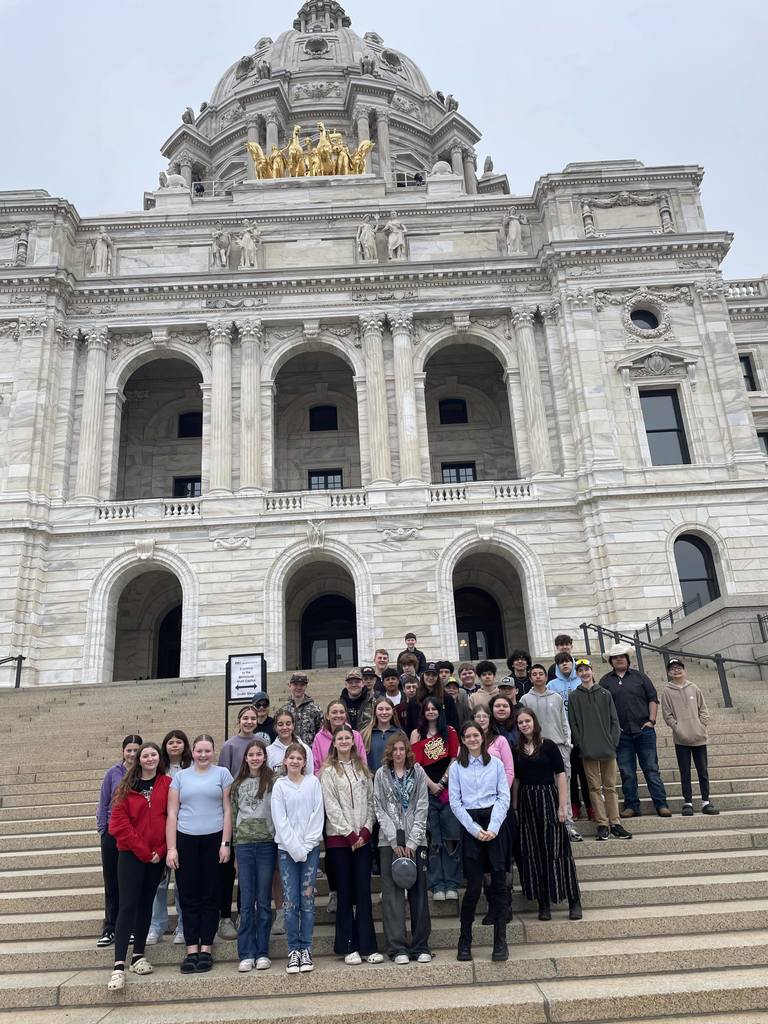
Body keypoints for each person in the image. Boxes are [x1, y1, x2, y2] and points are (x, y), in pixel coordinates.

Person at [166, 734, 233, 974]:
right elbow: (172, 813)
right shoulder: (180, 777)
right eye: (199, 751)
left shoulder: (223, 774)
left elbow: (227, 810)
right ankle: (191, 949)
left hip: (214, 838)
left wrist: (226, 842)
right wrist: (172, 848)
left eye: (207, 750)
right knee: (189, 895)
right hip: (186, 839)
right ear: (192, 753)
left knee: (210, 895)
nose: (203, 755)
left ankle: (206, 948)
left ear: (213, 751)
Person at [106, 742, 170, 991]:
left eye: (154, 754)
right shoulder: (126, 787)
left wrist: (161, 851)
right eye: (145, 755)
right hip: (132, 855)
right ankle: (119, 965)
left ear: (158, 758)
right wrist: (145, 852)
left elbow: (171, 817)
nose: (150, 758)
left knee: (146, 904)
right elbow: (118, 825)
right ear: (138, 759)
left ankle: (138, 955)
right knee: (128, 905)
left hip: (157, 855)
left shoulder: (167, 784)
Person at [320, 725, 383, 965]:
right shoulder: (327, 772)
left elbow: (371, 801)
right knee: (345, 893)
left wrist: (365, 831)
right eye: (340, 738)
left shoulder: (363, 770)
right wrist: (349, 834)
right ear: (334, 743)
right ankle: (348, 945)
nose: (344, 741)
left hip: (363, 839)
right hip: (339, 841)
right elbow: (331, 805)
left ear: (353, 742)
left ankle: (368, 946)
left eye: (348, 737)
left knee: (363, 892)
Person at [449, 722, 511, 962]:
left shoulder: (495, 764)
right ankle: (464, 942)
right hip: (471, 824)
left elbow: (503, 796)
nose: (473, 739)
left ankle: (500, 942)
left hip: (494, 821)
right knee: (474, 888)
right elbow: (455, 802)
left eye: (476, 735)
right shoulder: (456, 768)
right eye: (468, 736)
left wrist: (493, 827)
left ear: (482, 738)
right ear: (463, 740)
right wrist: (475, 830)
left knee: (498, 885)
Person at [512, 709, 582, 922]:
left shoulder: (548, 745)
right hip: (527, 802)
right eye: (521, 722)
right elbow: (516, 779)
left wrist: (563, 806)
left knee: (558, 850)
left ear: (534, 721)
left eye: (527, 720)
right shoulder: (517, 750)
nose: (525, 725)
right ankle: (543, 902)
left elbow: (560, 775)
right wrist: (515, 807)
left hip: (548, 799)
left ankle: (573, 899)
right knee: (534, 852)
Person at [373, 733, 432, 964]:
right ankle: (397, 947)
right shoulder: (380, 775)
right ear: (389, 752)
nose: (398, 753)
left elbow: (422, 807)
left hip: (416, 841)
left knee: (418, 893)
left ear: (407, 751)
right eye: (394, 749)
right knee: (392, 895)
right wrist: (395, 841)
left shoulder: (417, 773)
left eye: (402, 749)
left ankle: (420, 945)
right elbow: (379, 808)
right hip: (389, 843)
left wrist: (412, 842)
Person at [600, 643, 671, 818]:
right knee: (627, 772)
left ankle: (661, 804)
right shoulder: (605, 681)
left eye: (622, 656)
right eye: (615, 657)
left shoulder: (640, 677)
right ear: (611, 661)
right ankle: (631, 806)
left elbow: (653, 699)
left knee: (651, 769)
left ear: (627, 659)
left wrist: (652, 721)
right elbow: (602, 707)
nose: (619, 659)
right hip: (621, 734)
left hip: (644, 731)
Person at [271, 742, 324, 974]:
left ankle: (306, 948)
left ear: (305, 762)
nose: (294, 761)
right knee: (291, 901)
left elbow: (317, 815)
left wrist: (307, 846)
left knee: (307, 901)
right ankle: (293, 949)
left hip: (310, 849)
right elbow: (279, 820)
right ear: (285, 761)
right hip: (287, 851)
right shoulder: (279, 786)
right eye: (290, 758)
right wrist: (295, 848)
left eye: (298, 758)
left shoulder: (313, 783)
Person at [568, 660, 633, 841]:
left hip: (607, 747)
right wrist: (581, 743)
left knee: (610, 786)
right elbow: (573, 723)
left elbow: (614, 720)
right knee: (594, 788)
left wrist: (613, 742)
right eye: (580, 670)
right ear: (577, 674)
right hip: (588, 749)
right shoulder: (574, 696)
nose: (584, 673)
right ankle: (602, 823)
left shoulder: (605, 693)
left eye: (586, 669)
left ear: (592, 670)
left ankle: (616, 822)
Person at [520, 664, 582, 841]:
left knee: (564, 785)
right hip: (537, 748)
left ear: (546, 677)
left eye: (541, 674)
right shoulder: (525, 699)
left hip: (559, 745)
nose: (538, 676)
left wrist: (568, 743)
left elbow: (564, 722)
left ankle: (568, 825)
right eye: (534, 674)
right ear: (530, 678)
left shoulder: (556, 697)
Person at [230, 739, 276, 972]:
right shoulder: (238, 784)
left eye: (259, 754)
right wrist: (234, 849)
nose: (255, 758)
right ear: (245, 758)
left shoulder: (273, 781)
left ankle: (262, 951)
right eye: (251, 755)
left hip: (267, 844)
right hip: (245, 845)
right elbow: (234, 815)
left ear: (264, 757)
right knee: (246, 902)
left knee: (264, 901)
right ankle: (246, 951)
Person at [410, 699, 461, 901]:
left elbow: (454, 759)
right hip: (426, 792)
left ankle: (452, 883)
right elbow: (415, 764)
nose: (431, 712)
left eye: (434, 709)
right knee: (433, 839)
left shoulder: (450, 731)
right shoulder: (417, 734)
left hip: (448, 792)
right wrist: (431, 784)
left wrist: (442, 781)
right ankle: (437, 884)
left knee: (451, 839)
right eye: (427, 709)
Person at [217, 705, 261, 940]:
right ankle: (225, 916)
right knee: (227, 869)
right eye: (245, 718)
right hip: (233, 811)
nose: (249, 721)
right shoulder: (229, 746)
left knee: (247, 868)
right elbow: (224, 778)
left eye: (253, 718)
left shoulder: (260, 743)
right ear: (239, 720)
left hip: (253, 814)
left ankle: (245, 912)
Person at [96, 734, 142, 948]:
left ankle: (130, 927)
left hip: (133, 836)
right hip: (112, 835)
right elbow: (104, 802)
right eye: (129, 750)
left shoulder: (143, 773)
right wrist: (103, 831)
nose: (132, 754)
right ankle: (110, 928)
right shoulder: (112, 774)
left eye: (136, 750)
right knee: (112, 882)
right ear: (123, 751)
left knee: (129, 883)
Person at [147, 730, 191, 945]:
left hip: (185, 828)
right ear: (164, 746)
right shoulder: (157, 769)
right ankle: (157, 925)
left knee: (182, 883)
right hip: (160, 829)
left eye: (178, 742)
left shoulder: (191, 767)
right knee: (159, 882)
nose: (174, 745)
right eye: (170, 742)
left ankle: (183, 925)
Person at [661, 659, 719, 816]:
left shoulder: (693, 687)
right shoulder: (667, 690)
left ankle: (706, 801)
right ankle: (688, 802)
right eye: (673, 669)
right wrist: (677, 728)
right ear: (668, 673)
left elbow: (703, 709)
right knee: (684, 771)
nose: (676, 670)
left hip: (699, 737)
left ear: (684, 670)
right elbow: (667, 714)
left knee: (703, 770)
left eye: (679, 668)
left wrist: (702, 725)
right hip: (681, 738)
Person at [549, 652, 594, 824]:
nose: (565, 665)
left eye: (567, 661)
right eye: (561, 663)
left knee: (585, 771)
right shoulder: (552, 684)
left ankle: (591, 805)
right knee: (570, 772)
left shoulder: (581, 681)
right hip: (562, 733)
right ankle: (574, 804)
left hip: (582, 731)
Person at [311, 700, 367, 772]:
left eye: (342, 712)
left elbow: (363, 762)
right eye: (334, 712)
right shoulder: (319, 738)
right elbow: (315, 767)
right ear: (327, 716)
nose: (338, 715)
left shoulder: (355, 736)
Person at [406, 663, 460, 733]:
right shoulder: (415, 700)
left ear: (438, 677)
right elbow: (410, 724)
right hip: (421, 738)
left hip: (443, 737)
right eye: (428, 674)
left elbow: (454, 723)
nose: (430, 678)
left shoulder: (447, 698)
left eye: (434, 675)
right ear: (423, 676)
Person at [471, 705, 515, 786]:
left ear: (490, 719)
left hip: (497, 791)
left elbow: (509, 770)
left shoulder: (500, 740)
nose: (481, 719)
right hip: (472, 791)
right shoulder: (467, 741)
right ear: (473, 719)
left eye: (485, 716)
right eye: (478, 716)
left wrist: (503, 792)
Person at [267, 709, 315, 776]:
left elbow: (309, 775)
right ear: (275, 727)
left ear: (293, 726)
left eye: (288, 724)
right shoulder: (268, 752)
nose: (284, 727)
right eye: (280, 724)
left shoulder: (305, 749)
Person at [280, 674, 323, 746]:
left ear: (306, 686)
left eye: (302, 685)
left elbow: (320, 734)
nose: (299, 687)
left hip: (309, 753)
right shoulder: (283, 711)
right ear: (289, 685)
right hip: (288, 754)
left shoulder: (316, 710)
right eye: (295, 684)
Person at [362, 697, 401, 774]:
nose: (384, 712)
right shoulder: (365, 735)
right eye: (380, 709)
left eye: (387, 709)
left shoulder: (400, 734)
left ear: (393, 711)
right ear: (375, 712)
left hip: (394, 782)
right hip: (371, 781)